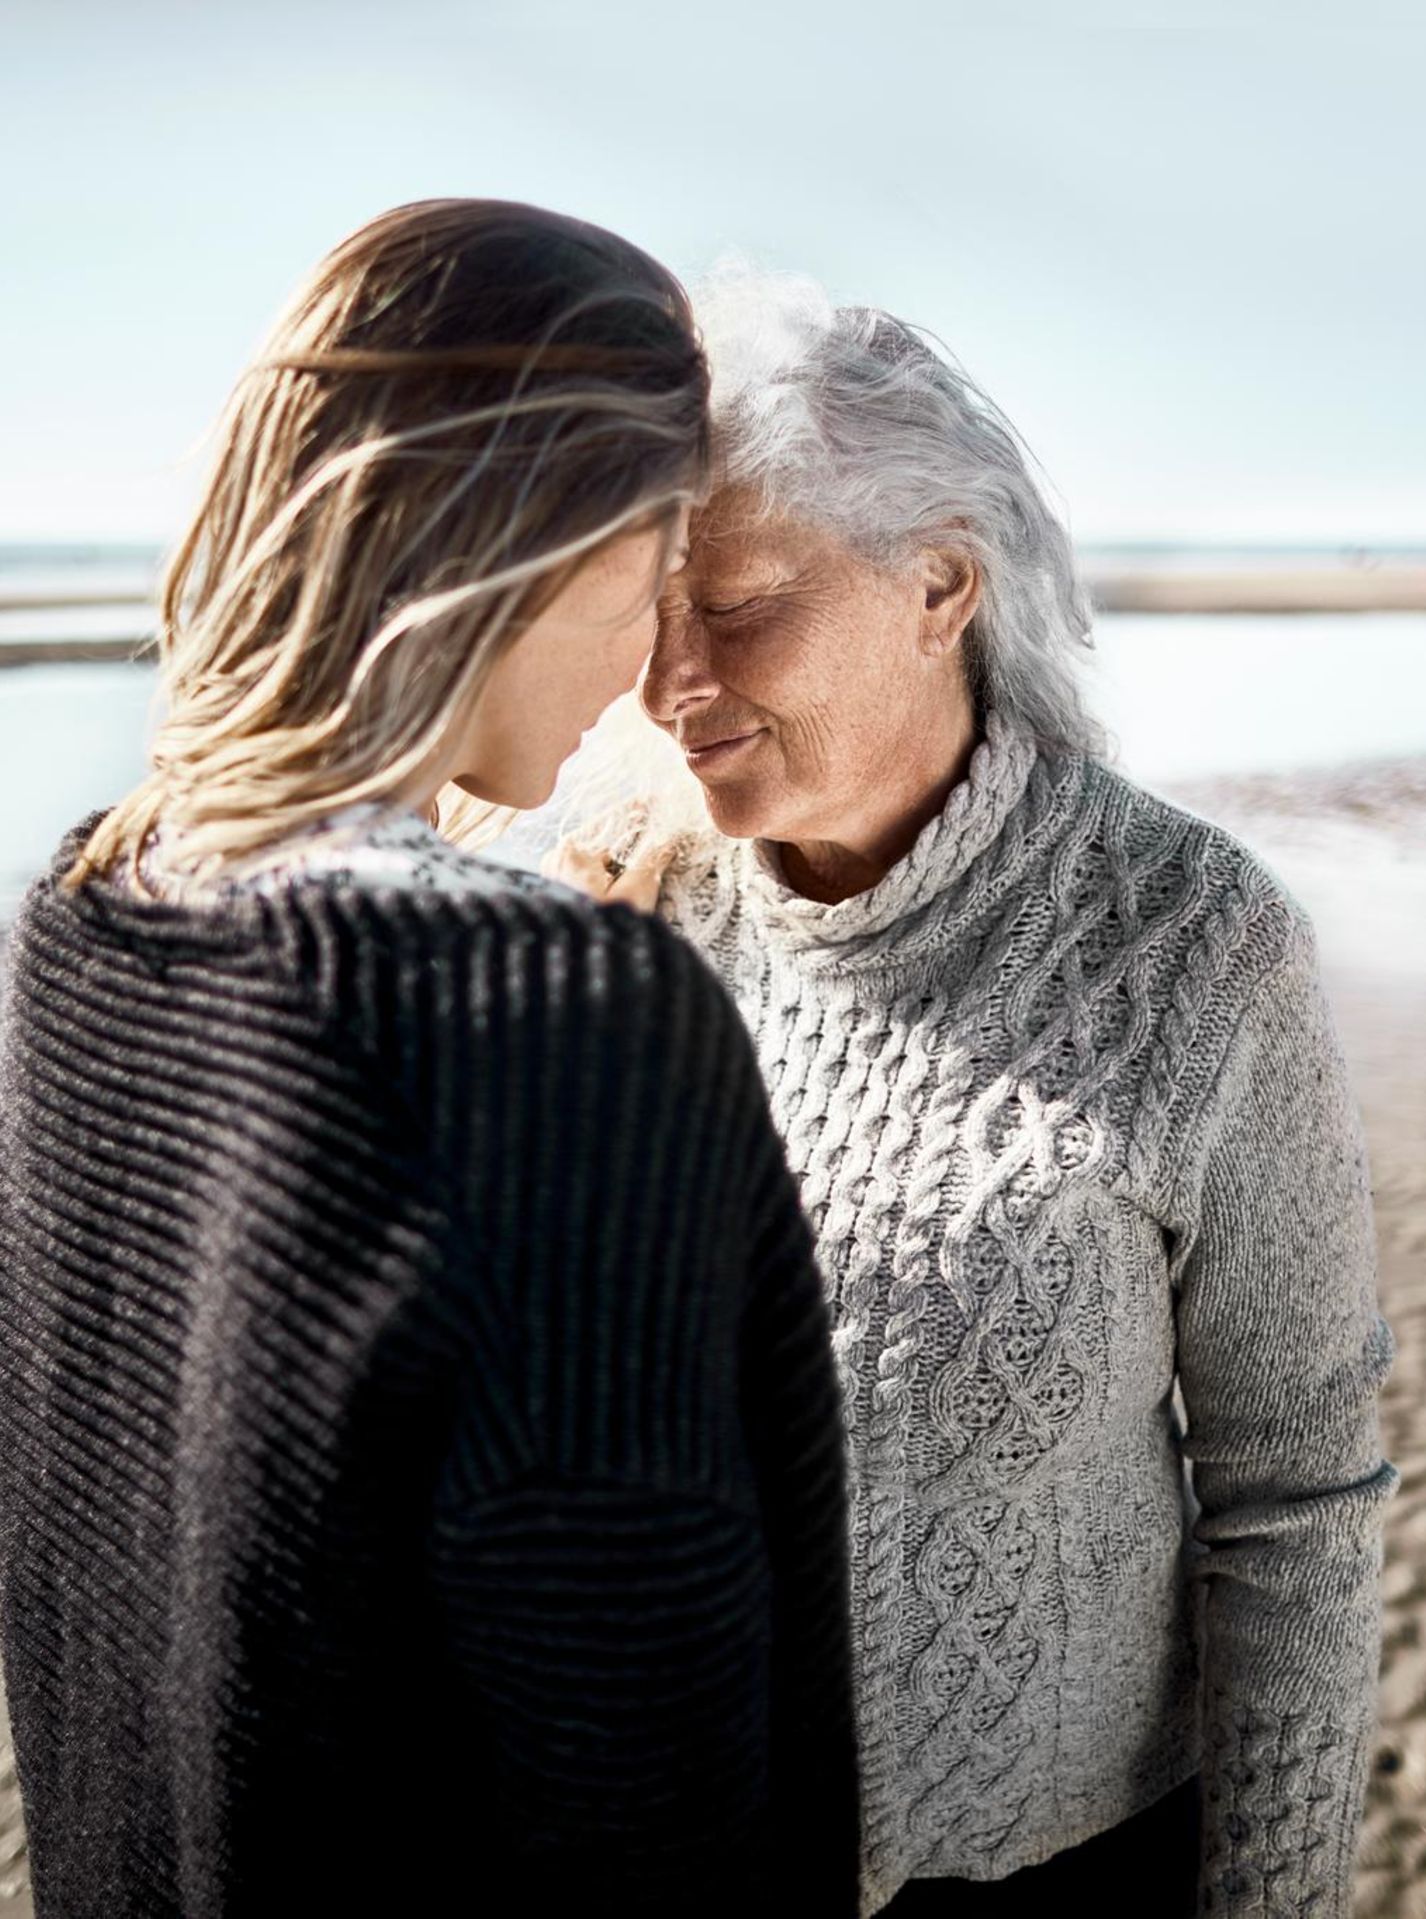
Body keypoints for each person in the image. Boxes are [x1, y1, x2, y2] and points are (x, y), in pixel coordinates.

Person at [0, 205, 859, 1919]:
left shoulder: (85, 919)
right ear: (530, 549)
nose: (648, 674)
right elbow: (646, 1784)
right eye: (646, 577)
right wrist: (585, 1006)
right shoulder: (553, 1018)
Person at [546, 266, 1401, 1917]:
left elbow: (1296, 1492)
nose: (673, 682)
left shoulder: (1192, 946)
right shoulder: (616, 913)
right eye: (647, 614)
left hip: (1067, 1870)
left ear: (940, 585)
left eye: (736, 605)